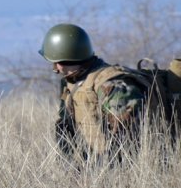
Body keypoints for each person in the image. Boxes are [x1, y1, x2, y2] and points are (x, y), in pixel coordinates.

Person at [40, 23, 154, 163]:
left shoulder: (113, 84)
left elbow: (127, 142)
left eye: (56, 62)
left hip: (121, 167)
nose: (55, 68)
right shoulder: (72, 82)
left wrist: (100, 169)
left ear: (63, 61)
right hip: (95, 164)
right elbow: (65, 127)